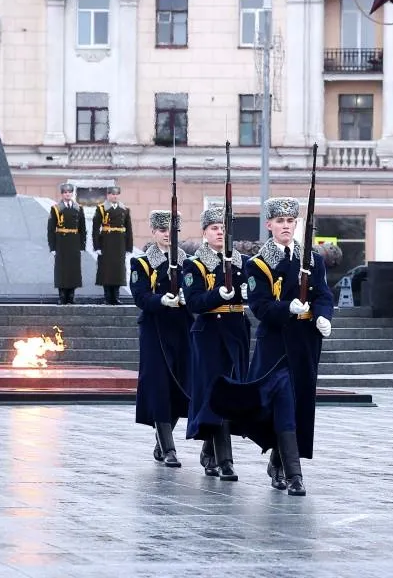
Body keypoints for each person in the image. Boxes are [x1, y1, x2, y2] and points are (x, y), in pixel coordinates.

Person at [209, 197, 334, 497]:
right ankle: (295, 475)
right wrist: (286, 308)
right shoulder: (259, 264)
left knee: (298, 404)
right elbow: (260, 306)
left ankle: (278, 463)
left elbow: (323, 294)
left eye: (290, 221)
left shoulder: (312, 259)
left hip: (305, 342)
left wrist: (323, 316)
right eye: (280, 221)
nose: (286, 226)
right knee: (282, 402)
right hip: (276, 345)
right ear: (269, 225)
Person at [180, 206, 250, 481]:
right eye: (214, 228)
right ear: (205, 233)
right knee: (215, 392)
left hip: (237, 330)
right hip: (210, 332)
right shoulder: (195, 265)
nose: (220, 232)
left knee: (233, 394)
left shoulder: (243, 262)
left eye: (223, 228)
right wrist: (218, 294)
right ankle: (225, 460)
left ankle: (210, 449)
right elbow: (194, 303)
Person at [129, 210, 191, 467]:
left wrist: (189, 298)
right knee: (159, 386)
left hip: (183, 328)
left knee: (181, 386)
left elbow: (196, 291)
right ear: (154, 232)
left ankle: (161, 441)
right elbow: (140, 295)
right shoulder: (142, 263)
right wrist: (160, 300)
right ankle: (169, 448)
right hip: (155, 329)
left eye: (173, 230)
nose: (168, 235)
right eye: (163, 230)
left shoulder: (188, 263)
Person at [93, 186, 133, 305]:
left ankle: (116, 296)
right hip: (106, 242)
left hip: (120, 243)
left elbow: (129, 229)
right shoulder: (101, 209)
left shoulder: (125, 210)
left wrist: (129, 247)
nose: (115, 196)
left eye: (116, 194)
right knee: (106, 270)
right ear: (108, 195)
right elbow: (95, 229)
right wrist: (97, 246)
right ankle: (107, 297)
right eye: (112, 194)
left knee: (118, 270)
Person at [46, 183, 86, 305]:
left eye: (69, 192)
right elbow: (51, 229)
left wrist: (82, 246)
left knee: (73, 269)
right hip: (61, 243)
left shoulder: (78, 208)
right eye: (65, 192)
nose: (67, 194)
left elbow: (82, 229)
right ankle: (62, 295)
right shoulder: (56, 209)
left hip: (74, 242)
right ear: (62, 194)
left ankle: (71, 295)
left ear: (72, 194)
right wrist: (52, 247)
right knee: (62, 270)